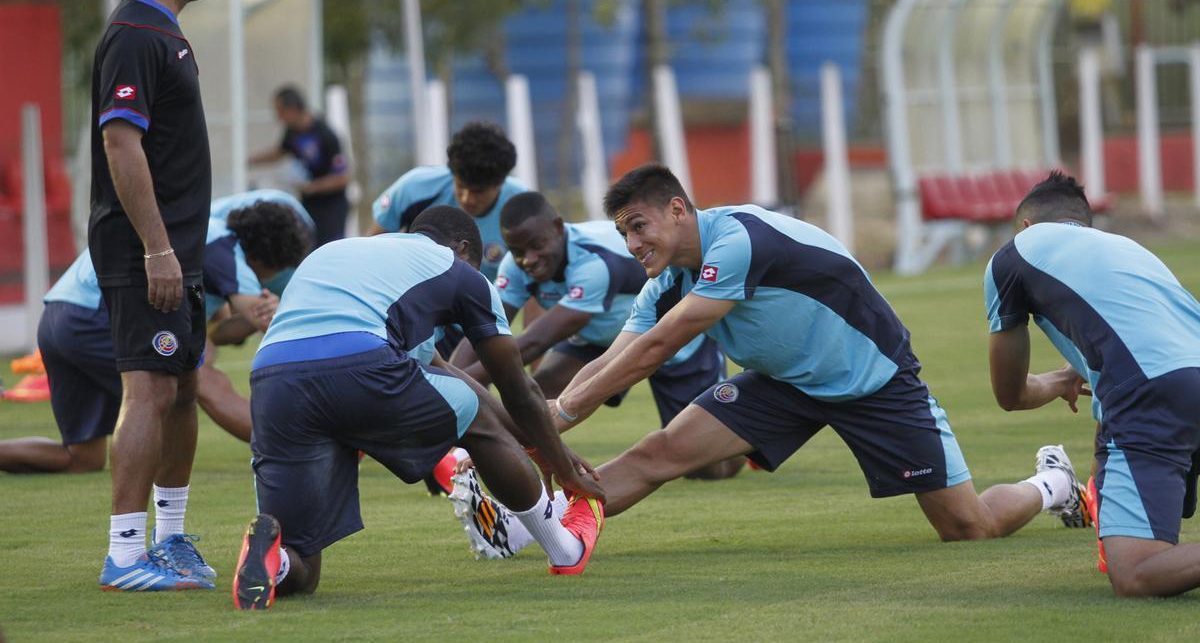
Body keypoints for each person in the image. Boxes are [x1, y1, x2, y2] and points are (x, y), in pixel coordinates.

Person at [449, 164, 1085, 560]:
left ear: (678, 209)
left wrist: (553, 419)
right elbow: (611, 359)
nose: (633, 243)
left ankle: (1053, 485)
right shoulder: (664, 280)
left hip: (873, 381)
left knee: (967, 528)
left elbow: (657, 348)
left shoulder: (738, 239)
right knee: (658, 453)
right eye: (623, 233)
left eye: (640, 226)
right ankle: (525, 525)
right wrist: (537, 435)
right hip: (784, 383)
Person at [231, 206, 605, 610]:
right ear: (463, 249)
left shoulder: (343, 255)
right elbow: (518, 388)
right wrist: (564, 469)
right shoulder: (457, 269)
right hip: (360, 363)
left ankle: (274, 559)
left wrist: (543, 448)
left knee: (303, 566)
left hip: (273, 382)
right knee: (475, 417)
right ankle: (563, 549)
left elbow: (447, 374)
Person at [984, 171, 1200, 597]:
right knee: (1111, 442)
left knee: (1136, 574)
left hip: (1151, 393)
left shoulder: (1012, 255)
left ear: (1026, 225)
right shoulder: (1127, 249)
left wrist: (1057, 380)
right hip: (1174, 377)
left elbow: (1010, 394)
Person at [89, 0, 217, 592]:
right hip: (146, 251)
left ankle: (169, 540)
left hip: (178, 250)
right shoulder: (135, 34)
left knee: (182, 388)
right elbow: (120, 142)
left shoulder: (164, 32)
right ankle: (125, 555)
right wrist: (156, 248)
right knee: (148, 390)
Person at [0, 201, 308, 470]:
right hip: (94, 318)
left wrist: (260, 314)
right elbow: (267, 321)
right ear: (263, 259)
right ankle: (297, 445)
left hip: (58, 318)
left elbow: (220, 331)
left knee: (81, 459)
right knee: (196, 380)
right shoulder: (223, 246)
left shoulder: (205, 241)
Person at [451, 191, 740, 477]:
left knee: (707, 469)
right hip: (597, 340)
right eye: (518, 252)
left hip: (671, 339)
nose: (529, 260)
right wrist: (449, 381)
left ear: (558, 228)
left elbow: (537, 340)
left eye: (537, 246)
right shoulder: (515, 267)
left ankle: (745, 445)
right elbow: (483, 327)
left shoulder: (594, 261)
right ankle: (489, 461)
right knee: (537, 395)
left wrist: (462, 383)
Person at [368, 121, 526, 282]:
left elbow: (531, 280)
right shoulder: (414, 188)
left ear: (500, 183)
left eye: (478, 191)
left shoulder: (522, 206)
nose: (467, 198)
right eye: (460, 186)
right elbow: (372, 249)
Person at [249, 86, 349, 246]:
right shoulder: (291, 132)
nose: (277, 117)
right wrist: (250, 161)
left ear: (292, 110)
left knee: (328, 249)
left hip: (331, 208)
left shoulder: (326, 135)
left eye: (280, 111)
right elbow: (280, 152)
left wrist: (313, 187)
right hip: (309, 204)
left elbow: (342, 178)